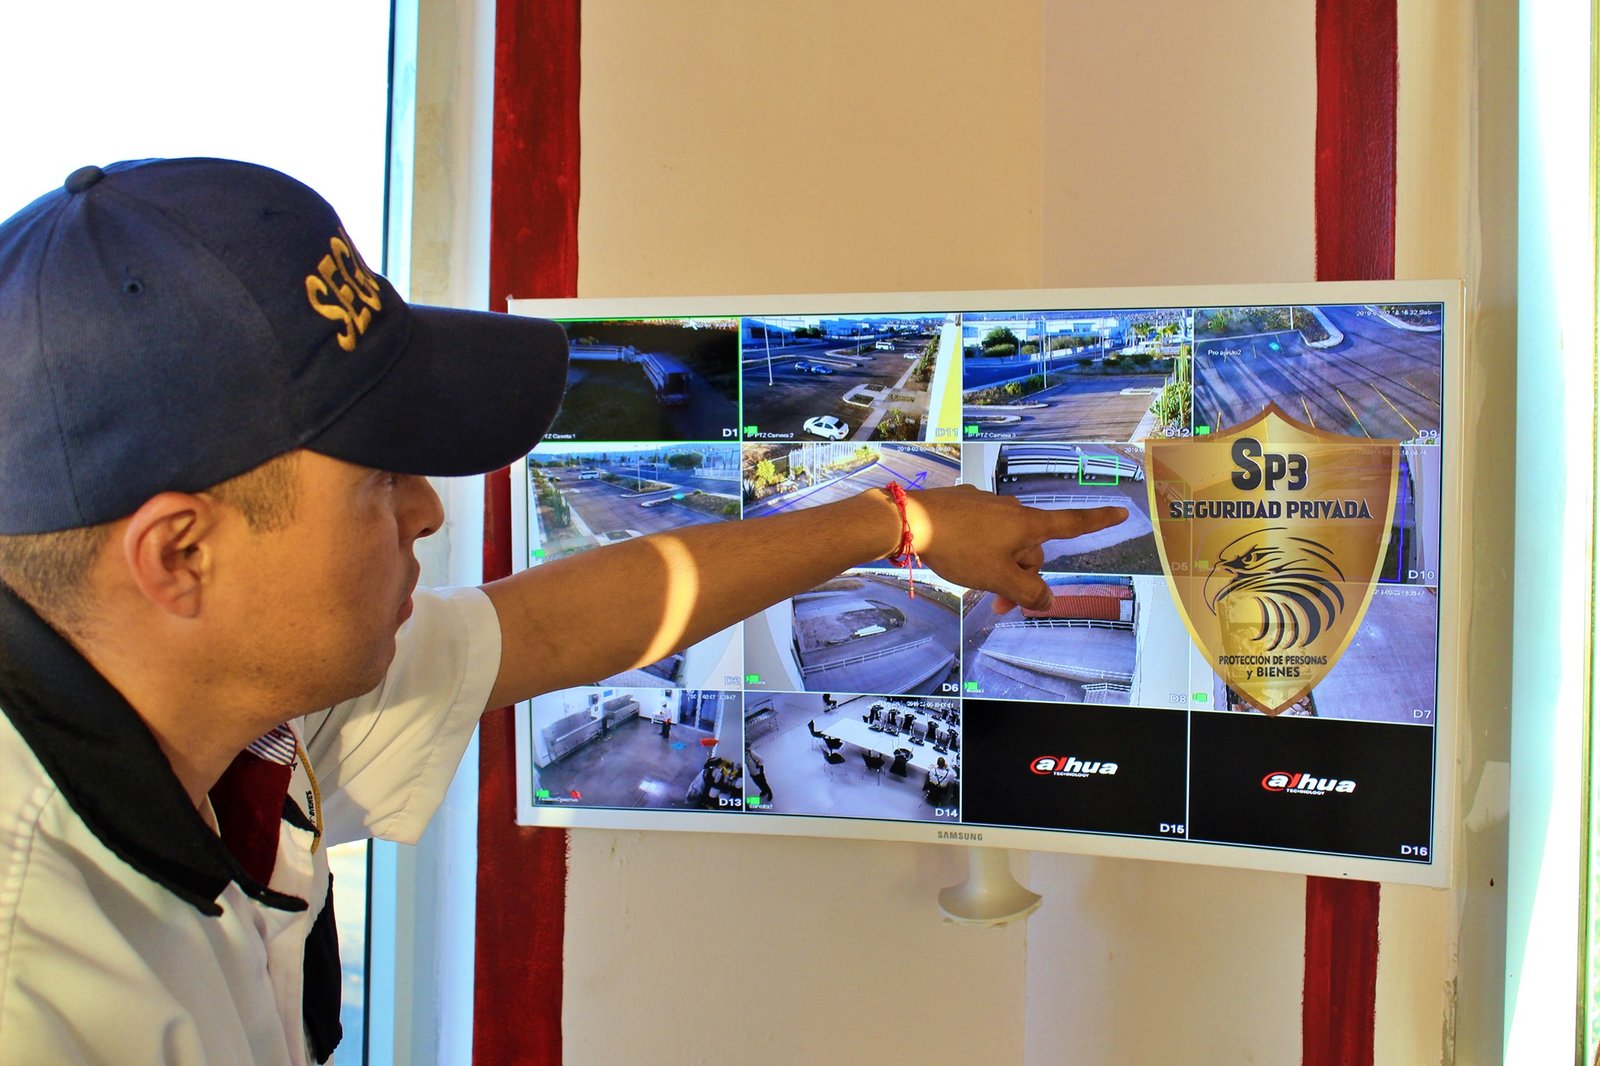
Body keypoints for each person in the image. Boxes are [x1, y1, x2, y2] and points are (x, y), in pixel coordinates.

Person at [0, 157, 1125, 1063]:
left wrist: (902, 521)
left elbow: (550, 625)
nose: (427, 512)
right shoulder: (42, 999)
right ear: (182, 557)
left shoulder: (224, 707)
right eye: (377, 477)